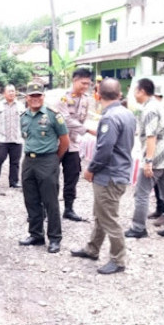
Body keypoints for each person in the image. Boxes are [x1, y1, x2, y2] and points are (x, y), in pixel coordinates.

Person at [70, 77, 136, 274]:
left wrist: (91, 169)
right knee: (100, 214)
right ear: (119, 94)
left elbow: (105, 149)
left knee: (108, 218)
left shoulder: (109, 118)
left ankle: (118, 259)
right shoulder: (127, 114)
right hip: (119, 172)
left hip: (109, 175)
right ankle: (93, 248)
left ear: (97, 95)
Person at [125, 77, 164, 240]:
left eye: (135, 90)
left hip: (156, 157)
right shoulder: (158, 105)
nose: (134, 94)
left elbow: (151, 137)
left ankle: (138, 228)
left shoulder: (149, 109)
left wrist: (148, 161)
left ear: (142, 91)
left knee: (141, 193)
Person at [19, 82, 70, 254]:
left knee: (50, 201)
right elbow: (27, 138)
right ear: (27, 98)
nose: (35, 99)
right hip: (28, 161)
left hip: (47, 160)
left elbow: (64, 141)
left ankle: (55, 238)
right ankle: (36, 234)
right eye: (32, 96)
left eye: (38, 95)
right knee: (31, 199)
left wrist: (55, 159)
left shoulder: (53, 115)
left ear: (43, 97)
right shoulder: (24, 116)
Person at [55, 66, 97, 222]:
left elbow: (81, 118)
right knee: (51, 177)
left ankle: (69, 209)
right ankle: (48, 208)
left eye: (88, 84)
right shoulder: (63, 98)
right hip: (58, 143)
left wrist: (83, 131)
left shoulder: (86, 99)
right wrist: (87, 130)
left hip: (73, 144)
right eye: (83, 83)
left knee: (72, 176)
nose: (85, 87)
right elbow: (65, 119)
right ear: (75, 80)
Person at [0, 84, 24, 188]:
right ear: (4, 93)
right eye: (9, 91)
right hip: (1, 139)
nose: (11, 93)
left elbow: (25, 122)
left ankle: (13, 182)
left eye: (13, 91)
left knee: (15, 162)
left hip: (16, 139)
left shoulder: (21, 106)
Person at [148, 84, 164, 225]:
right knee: (157, 184)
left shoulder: (161, 110)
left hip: (163, 152)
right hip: (158, 152)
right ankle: (160, 209)